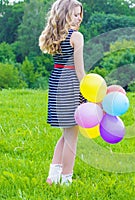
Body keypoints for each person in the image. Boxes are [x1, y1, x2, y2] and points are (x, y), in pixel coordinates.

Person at [38, 0, 85, 186]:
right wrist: (90, 94)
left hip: (57, 83)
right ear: (65, 15)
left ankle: (53, 176)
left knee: (66, 134)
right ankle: (66, 180)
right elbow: (80, 72)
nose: (79, 18)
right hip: (71, 84)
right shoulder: (76, 37)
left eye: (80, 14)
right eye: (75, 14)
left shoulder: (55, 36)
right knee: (72, 137)